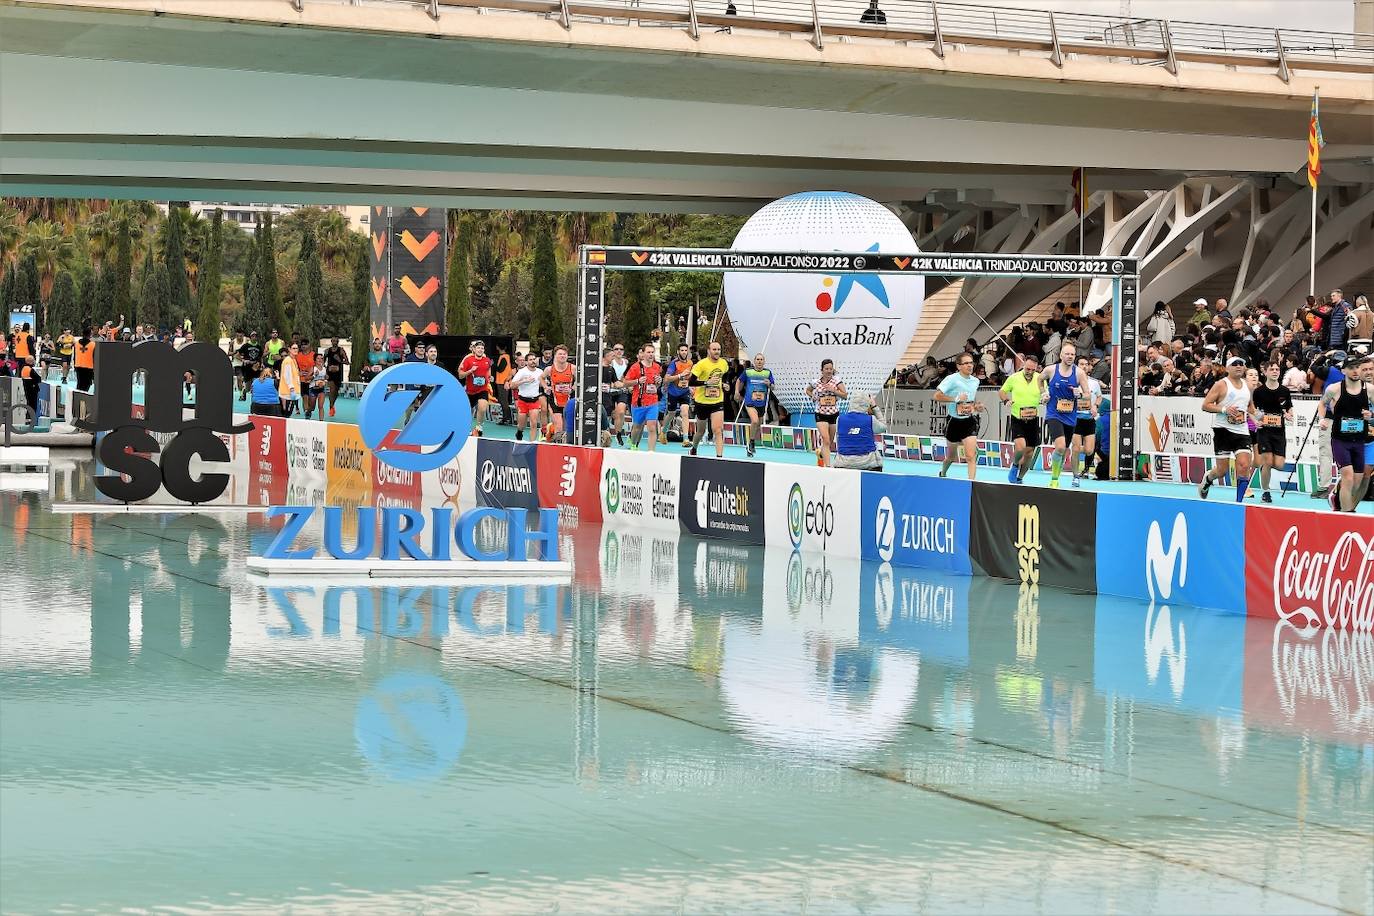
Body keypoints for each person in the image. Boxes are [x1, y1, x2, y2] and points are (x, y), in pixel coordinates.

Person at [1197, 357, 1256, 503]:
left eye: (1241, 364)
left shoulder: (1247, 386)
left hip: (1242, 431)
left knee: (1244, 464)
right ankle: (1208, 478)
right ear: (1228, 368)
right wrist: (1224, 409)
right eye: (1235, 364)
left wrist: (1258, 418)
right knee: (1222, 471)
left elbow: (1250, 408)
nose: (1238, 366)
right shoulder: (1221, 385)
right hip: (1222, 430)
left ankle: (1239, 502)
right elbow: (1205, 405)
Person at [1318, 353, 1371, 511]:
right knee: (1347, 476)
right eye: (1351, 368)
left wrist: (1371, 415)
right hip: (1340, 440)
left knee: (1358, 480)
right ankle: (1347, 515)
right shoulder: (1334, 389)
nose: (1355, 371)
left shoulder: (1369, 390)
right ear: (1343, 371)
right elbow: (1322, 404)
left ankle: (1338, 500)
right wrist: (1322, 419)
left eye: (1357, 367)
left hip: (1359, 441)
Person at [1040, 342, 1092, 488]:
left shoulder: (1079, 373)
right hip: (1053, 414)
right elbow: (1039, 380)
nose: (1070, 356)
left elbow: (1088, 395)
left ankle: (1057, 474)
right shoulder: (1050, 370)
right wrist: (1043, 393)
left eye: (1072, 354)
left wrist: (1080, 394)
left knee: (1063, 450)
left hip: (1070, 417)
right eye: (1067, 354)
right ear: (1061, 355)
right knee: (1061, 446)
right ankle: (1054, 480)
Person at [935, 352, 985, 480]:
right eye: (966, 363)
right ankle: (943, 473)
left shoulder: (975, 381)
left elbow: (971, 401)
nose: (970, 365)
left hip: (968, 421)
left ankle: (971, 484)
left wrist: (977, 407)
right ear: (959, 366)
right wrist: (955, 398)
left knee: (970, 456)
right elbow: (936, 396)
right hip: (954, 422)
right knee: (951, 457)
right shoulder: (952, 379)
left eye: (971, 363)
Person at [1252, 359, 1294, 503]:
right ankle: (1266, 491)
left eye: (1277, 369)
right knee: (1268, 461)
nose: (1275, 372)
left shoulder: (1284, 391)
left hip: (1279, 432)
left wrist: (1290, 415)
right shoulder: (1259, 392)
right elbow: (1251, 409)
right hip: (1264, 431)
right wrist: (1255, 420)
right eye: (1272, 369)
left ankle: (1263, 466)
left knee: (1279, 464)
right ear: (1265, 372)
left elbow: (1289, 408)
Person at [999, 353, 1044, 484]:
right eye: (1027, 369)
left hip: (1033, 420)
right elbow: (1002, 391)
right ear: (1024, 364)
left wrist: (1046, 397)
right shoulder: (1014, 378)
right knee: (1020, 447)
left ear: (1037, 368)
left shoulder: (1040, 379)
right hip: (1017, 418)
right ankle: (1014, 465)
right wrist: (1006, 400)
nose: (1030, 372)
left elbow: (1045, 393)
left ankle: (1020, 477)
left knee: (1029, 452)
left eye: (1033, 370)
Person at [619, 343, 665, 452]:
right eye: (648, 352)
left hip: (653, 402)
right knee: (637, 427)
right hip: (638, 402)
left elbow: (657, 384)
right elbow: (625, 383)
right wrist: (637, 381)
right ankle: (633, 445)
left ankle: (651, 452)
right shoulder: (635, 367)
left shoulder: (657, 367)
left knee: (652, 427)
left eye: (652, 352)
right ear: (643, 354)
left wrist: (659, 382)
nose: (651, 354)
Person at [688, 340, 730, 458]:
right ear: (709, 351)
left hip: (717, 401)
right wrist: (707, 382)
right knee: (700, 431)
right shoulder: (701, 364)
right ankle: (694, 448)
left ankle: (719, 457)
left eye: (718, 350)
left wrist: (725, 384)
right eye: (714, 350)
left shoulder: (723, 363)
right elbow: (691, 382)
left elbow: (725, 375)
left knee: (717, 430)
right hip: (702, 402)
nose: (717, 352)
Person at [1068, 355, 1104, 486]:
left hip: (1089, 419)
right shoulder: (1071, 381)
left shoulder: (1094, 383)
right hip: (1076, 418)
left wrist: (1095, 405)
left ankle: (1073, 451)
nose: (1084, 366)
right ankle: (1075, 475)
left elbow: (1099, 397)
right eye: (1081, 364)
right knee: (1077, 449)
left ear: (1089, 367)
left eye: (1086, 364)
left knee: (1089, 450)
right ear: (1076, 366)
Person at [805, 359, 847, 468]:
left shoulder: (837, 380)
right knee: (826, 439)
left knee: (830, 442)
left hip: (834, 414)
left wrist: (833, 390)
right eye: (826, 369)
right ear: (822, 370)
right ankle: (828, 466)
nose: (829, 371)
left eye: (830, 369)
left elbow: (845, 395)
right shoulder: (816, 382)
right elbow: (808, 390)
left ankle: (821, 453)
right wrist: (813, 396)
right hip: (820, 413)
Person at [833, 392, 886, 470]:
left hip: (843, 464)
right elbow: (883, 427)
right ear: (867, 404)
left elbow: (837, 442)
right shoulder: (871, 419)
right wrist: (874, 407)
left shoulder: (839, 419)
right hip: (868, 464)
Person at [736, 353, 775, 458]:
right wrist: (737, 392)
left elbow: (773, 387)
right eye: (757, 359)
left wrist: (769, 384)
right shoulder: (748, 372)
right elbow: (739, 380)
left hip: (761, 403)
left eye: (761, 359)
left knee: (759, 424)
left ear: (764, 361)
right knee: (754, 421)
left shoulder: (767, 373)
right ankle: (752, 443)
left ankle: (750, 443)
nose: (759, 361)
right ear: (754, 361)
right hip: (750, 402)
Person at [458, 339, 493, 436]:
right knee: (466, 412)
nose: (480, 350)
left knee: (482, 408)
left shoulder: (487, 360)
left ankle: (479, 426)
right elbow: (460, 375)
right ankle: (465, 429)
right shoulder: (468, 359)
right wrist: (470, 371)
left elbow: (488, 371)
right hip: (470, 391)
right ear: (474, 349)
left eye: (482, 348)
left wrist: (489, 377)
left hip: (482, 390)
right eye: (478, 348)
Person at [507, 352, 545, 441]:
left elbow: (541, 383)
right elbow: (512, 385)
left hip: (534, 400)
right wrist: (524, 381)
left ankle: (532, 443)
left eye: (534, 359)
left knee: (534, 423)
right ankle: (519, 432)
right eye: (530, 360)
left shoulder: (540, 372)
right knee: (521, 424)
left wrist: (545, 385)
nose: (533, 361)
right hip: (523, 400)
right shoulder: (522, 372)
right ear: (526, 362)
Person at [543, 345, 575, 443]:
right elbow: (541, 378)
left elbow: (580, 381)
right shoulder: (549, 369)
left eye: (564, 354)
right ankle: (558, 445)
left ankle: (552, 431)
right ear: (555, 356)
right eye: (560, 354)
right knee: (559, 425)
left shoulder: (573, 368)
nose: (562, 356)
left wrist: (571, 389)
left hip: (568, 400)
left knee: (566, 426)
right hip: (555, 400)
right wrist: (546, 387)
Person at [664, 343, 695, 444]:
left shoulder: (690, 363)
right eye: (682, 350)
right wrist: (680, 375)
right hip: (673, 392)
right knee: (671, 414)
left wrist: (690, 386)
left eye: (685, 350)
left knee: (685, 413)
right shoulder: (674, 363)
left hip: (684, 392)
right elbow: (666, 378)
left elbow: (689, 377)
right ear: (678, 352)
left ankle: (685, 439)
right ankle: (663, 432)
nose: (684, 352)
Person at [606, 343, 631, 445]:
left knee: (621, 412)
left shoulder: (626, 362)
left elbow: (628, 376)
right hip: (610, 391)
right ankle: (607, 434)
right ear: (613, 351)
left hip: (622, 391)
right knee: (611, 414)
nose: (619, 351)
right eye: (616, 349)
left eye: (621, 349)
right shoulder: (610, 363)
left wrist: (626, 384)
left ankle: (618, 434)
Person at [322, 337, 348, 417]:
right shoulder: (327, 351)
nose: (334, 342)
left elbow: (347, 362)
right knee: (331, 389)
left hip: (338, 373)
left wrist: (339, 361)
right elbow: (322, 362)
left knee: (336, 391)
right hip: (330, 373)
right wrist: (327, 367)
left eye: (336, 341)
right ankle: (331, 406)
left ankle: (332, 404)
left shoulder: (341, 350)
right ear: (331, 341)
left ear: (338, 342)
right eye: (333, 341)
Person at [277, 342, 302, 416]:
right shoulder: (288, 360)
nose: (295, 350)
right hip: (288, 392)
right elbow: (287, 375)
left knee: (288, 413)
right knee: (286, 413)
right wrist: (291, 388)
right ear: (289, 349)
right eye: (293, 348)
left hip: (291, 391)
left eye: (296, 348)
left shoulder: (293, 360)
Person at [235, 333, 262, 401]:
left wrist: (261, 364)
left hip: (256, 366)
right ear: (250, 337)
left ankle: (255, 398)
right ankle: (243, 393)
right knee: (248, 385)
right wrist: (243, 360)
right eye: (252, 336)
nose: (254, 337)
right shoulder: (246, 346)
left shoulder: (259, 346)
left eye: (255, 336)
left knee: (256, 382)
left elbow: (260, 357)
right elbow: (237, 355)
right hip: (247, 367)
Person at [294, 343, 317, 418]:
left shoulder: (314, 355)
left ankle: (309, 410)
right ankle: (306, 414)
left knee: (312, 403)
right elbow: (294, 366)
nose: (303, 346)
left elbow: (317, 365)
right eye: (302, 345)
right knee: (305, 397)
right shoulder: (298, 355)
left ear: (309, 345)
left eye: (305, 345)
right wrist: (298, 372)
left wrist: (311, 373)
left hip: (311, 380)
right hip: (302, 380)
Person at [493, 344, 513, 425]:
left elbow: (500, 369)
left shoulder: (504, 357)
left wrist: (492, 364)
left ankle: (507, 418)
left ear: (498, 347)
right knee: (502, 400)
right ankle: (506, 418)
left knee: (503, 401)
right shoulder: (507, 357)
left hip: (503, 382)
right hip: (502, 381)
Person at [73, 328, 96, 393]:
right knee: (87, 384)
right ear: (90, 334)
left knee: (79, 384)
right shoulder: (93, 344)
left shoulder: (77, 344)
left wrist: (75, 365)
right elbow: (94, 356)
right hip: (88, 367)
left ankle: (78, 398)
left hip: (78, 366)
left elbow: (75, 355)